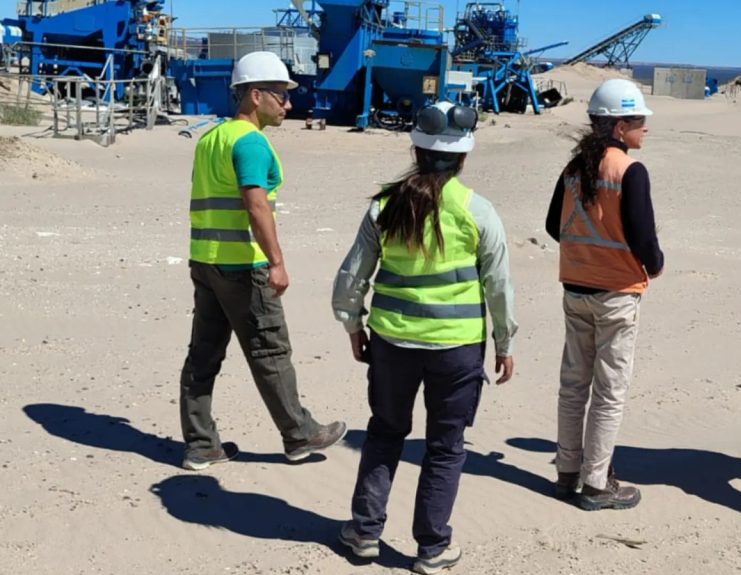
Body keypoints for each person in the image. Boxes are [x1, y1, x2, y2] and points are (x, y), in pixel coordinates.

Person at [331, 101, 517, 574]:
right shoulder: (478, 211)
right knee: (445, 446)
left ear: (415, 151)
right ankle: (432, 548)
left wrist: (353, 323)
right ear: (463, 159)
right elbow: (498, 284)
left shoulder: (384, 207)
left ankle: (365, 532)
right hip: (457, 351)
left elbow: (352, 276)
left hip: (392, 346)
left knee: (386, 433)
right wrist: (504, 343)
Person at [179, 51, 346, 471]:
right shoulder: (250, 142)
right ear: (255, 96)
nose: (288, 104)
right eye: (280, 95)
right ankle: (300, 434)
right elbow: (256, 206)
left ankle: (201, 445)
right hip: (242, 265)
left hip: (205, 260)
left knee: (203, 356)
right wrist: (277, 262)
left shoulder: (211, 138)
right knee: (270, 351)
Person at [544, 78, 664, 511]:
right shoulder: (630, 171)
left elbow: (551, 226)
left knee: (573, 384)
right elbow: (643, 236)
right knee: (609, 390)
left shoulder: (574, 168)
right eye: (638, 119)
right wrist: (655, 264)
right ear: (618, 127)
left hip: (575, 289)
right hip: (616, 294)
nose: (646, 126)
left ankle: (567, 472)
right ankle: (597, 484)